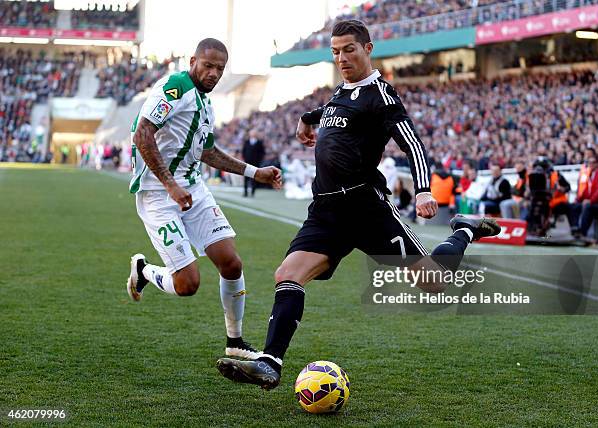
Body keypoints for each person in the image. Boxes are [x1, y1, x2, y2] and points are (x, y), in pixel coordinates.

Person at [216, 20, 500, 390]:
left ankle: (464, 229)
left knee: (434, 282)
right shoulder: (343, 90)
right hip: (326, 211)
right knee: (288, 273)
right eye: (335, 51)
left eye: (349, 49)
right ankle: (271, 362)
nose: (341, 57)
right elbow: (336, 108)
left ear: (368, 48)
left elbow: (412, 142)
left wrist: (423, 190)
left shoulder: (382, 95)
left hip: (366, 209)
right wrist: (307, 118)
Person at [126, 38, 282, 360]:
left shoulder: (205, 102)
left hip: (193, 189)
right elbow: (143, 133)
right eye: (208, 66)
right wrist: (169, 185)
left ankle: (235, 342)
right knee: (187, 284)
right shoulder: (175, 87)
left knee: (231, 262)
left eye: (220, 69)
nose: (213, 73)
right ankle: (143, 272)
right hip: (158, 195)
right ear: (193, 60)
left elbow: (207, 152)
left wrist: (255, 173)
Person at [569, 154, 598, 239]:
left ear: (597, 164)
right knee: (574, 206)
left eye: (593, 162)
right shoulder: (590, 175)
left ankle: (583, 233)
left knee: (588, 206)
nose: (590, 164)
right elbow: (586, 191)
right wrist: (578, 199)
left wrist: (590, 201)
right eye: (589, 162)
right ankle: (575, 228)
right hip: (595, 203)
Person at [241, 130, 265, 197]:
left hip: (255, 163)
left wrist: (259, 160)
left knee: (254, 178)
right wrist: (245, 158)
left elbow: (262, 153)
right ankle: (245, 192)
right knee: (246, 178)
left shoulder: (259, 143)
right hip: (247, 162)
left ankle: (253, 192)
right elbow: (243, 151)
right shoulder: (247, 142)